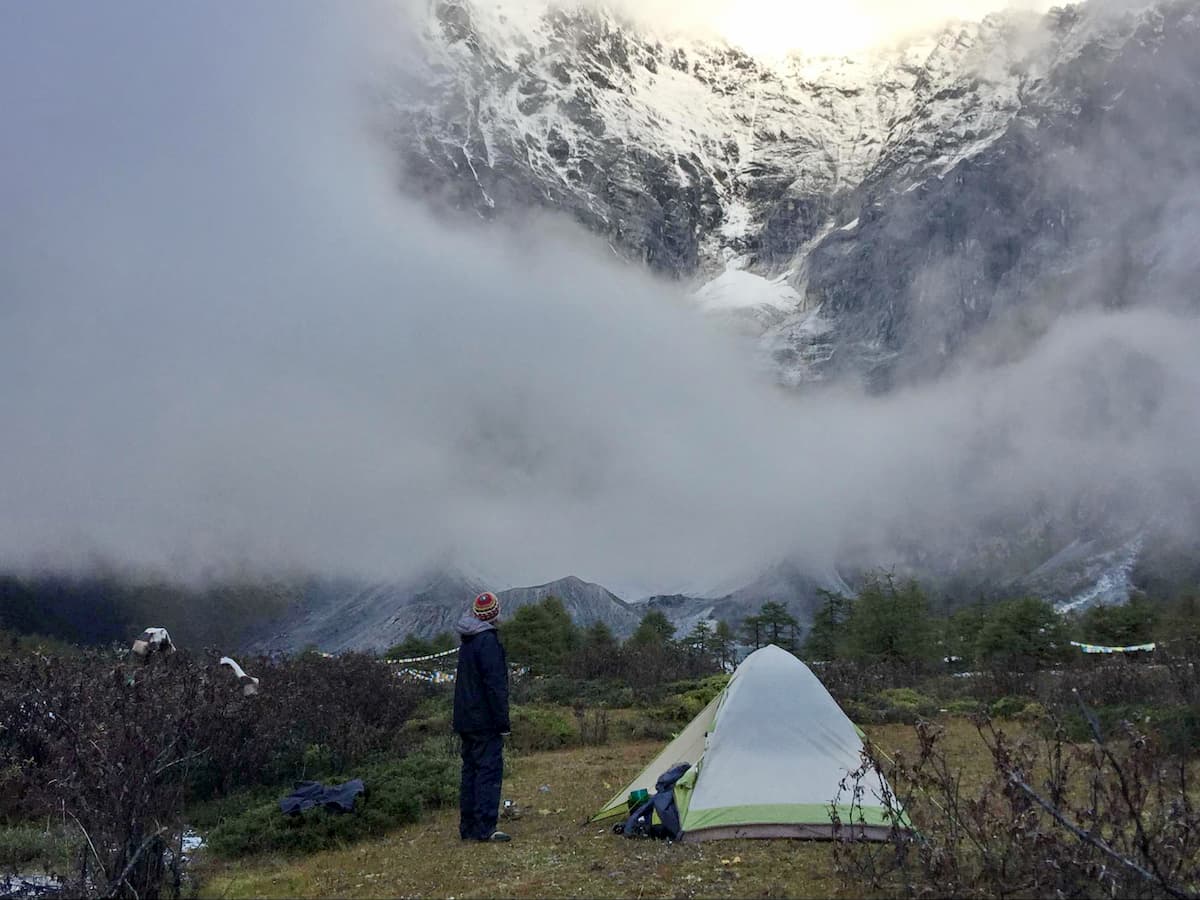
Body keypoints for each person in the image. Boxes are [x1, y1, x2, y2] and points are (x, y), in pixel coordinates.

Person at [453, 591, 512, 842]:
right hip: (485, 719)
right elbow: (494, 685)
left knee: (470, 771)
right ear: (494, 614)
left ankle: (468, 827)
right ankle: (485, 827)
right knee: (488, 770)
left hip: (465, 718)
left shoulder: (467, 640)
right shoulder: (487, 641)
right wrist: (503, 722)